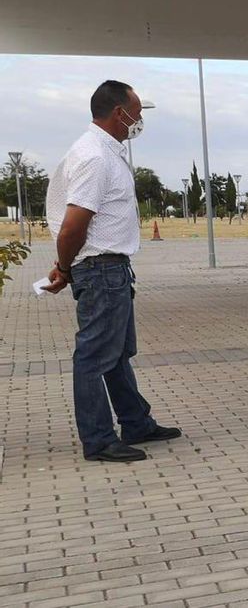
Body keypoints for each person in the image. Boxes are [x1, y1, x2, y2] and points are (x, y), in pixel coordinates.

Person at [43, 80, 181, 463]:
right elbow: (74, 224)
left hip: (113, 269)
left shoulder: (106, 152)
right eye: (136, 112)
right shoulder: (94, 157)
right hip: (100, 268)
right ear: (119, 113)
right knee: (93, 356)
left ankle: (136, 422)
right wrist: (63, 268)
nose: (139, 120)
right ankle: (99, 439)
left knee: (118, 352)